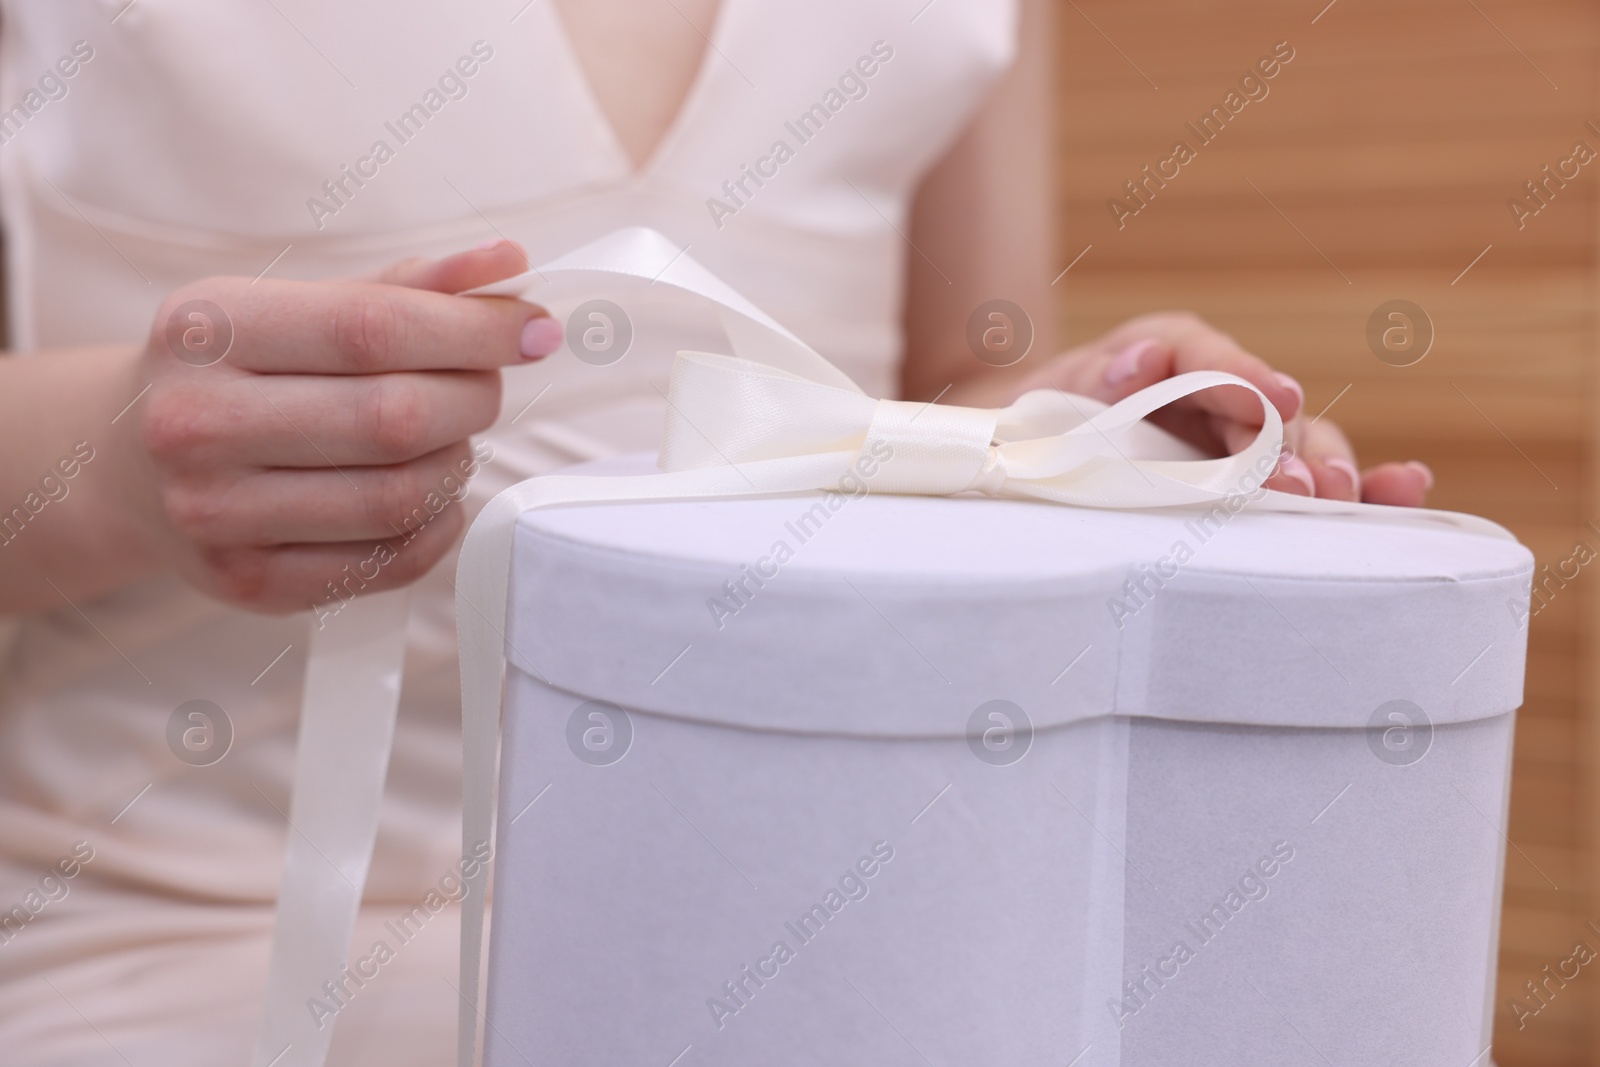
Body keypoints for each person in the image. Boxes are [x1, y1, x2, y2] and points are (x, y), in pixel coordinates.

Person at [0, 0, 1431, 1062]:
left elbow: (951, 370)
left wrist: (1057, 425)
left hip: (831, 908)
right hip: (176, 932)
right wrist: (115, 463)